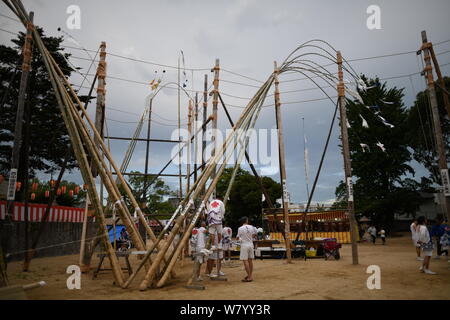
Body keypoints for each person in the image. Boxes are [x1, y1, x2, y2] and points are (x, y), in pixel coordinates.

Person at [237, 216, 257, 282]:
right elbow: (254, 235)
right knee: (250, 261)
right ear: (247, 221)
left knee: (245, 261)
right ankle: (250, 275)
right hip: (251, 244)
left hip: (244, 245)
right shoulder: (252, 227)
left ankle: (249, 277)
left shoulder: (240, 228)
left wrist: (241, 239)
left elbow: (237, 237)